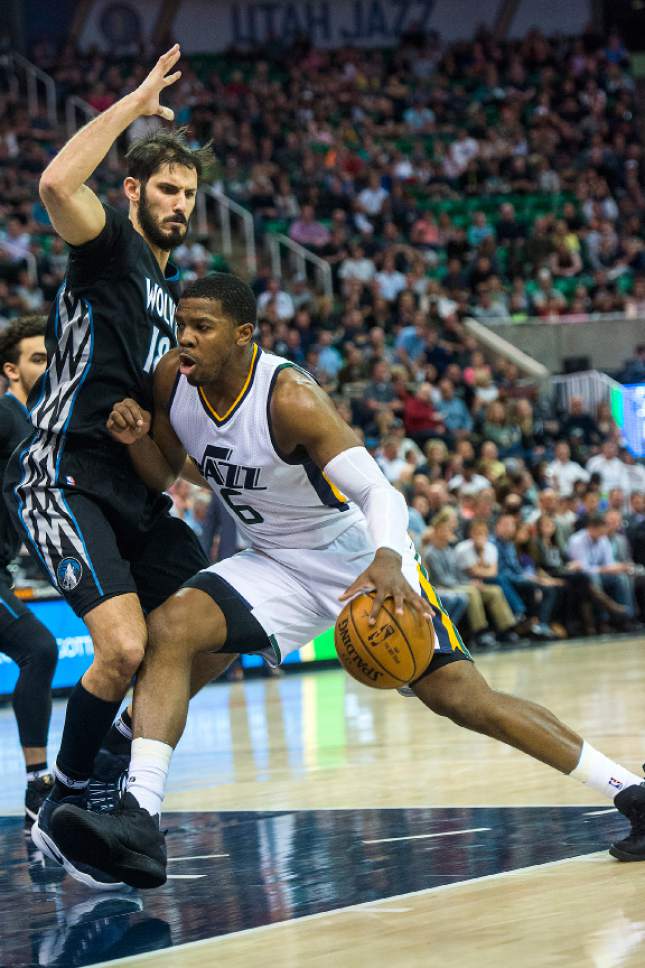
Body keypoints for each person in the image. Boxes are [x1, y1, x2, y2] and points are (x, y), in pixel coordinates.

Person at [49, 274, 645, 887]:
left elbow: (376, 490)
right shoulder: (174, 380)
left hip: (356, 557)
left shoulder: (289, 398)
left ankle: (631, 792)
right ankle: (139, 819)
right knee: (172, 627)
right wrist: (139, 438)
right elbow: (174, 472)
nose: (187, 339)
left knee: (466, 701)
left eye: (203, 327)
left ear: (244, 335)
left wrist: (388, 560)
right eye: (183, 325)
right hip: (275, 559)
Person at [4, 46, 234, 887]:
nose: (178, 203)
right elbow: (58, 187)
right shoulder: (108, 251)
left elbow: (166, 465)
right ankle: (60, 810)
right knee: (124, 644)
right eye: (165, 189)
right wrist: (133, 105)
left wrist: (146, 434)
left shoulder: (179, 312)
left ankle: (111, 759)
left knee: (222, 629)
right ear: (134, 192)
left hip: (127, 489)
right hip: (61, 469)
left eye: (188, 195)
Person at [0, 316, 58, 826]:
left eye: (50, 358)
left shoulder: (37, 426)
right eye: (37, 358)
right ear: (10, 370)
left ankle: (38, 781)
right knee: (38, 649)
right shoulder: (8, 416)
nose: (47, 366)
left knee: (38, 651)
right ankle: (39, 781)